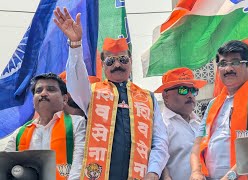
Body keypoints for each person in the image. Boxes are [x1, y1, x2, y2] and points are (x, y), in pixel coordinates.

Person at [54, 7, 169, 180]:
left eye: (122, 59)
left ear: (130, 61)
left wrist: (153, 172)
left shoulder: (147, 98)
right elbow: (76, 81)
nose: (117, 65)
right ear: (103, 64)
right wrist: (75, 45)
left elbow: (159, 140)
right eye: (110, 61)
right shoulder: (92, 93)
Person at [189, 40, 248, 180]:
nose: (228, 69)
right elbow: (198, 143)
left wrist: (229, 177)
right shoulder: (213, 104)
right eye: (223, 64)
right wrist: (196, 172)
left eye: (235, 62)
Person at [4, 73, 86, 180]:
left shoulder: (77, 123)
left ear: (65, 99)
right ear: (33, 100)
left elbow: (80, 164)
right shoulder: (19, 133)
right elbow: (5, 167)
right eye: (38, 91)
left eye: (51, 89)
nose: (43, 94)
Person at [154, 67, 207, 180]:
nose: (190, 95)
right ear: (166, 96)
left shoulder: (200, 124)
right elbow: (155, 157)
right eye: (183, 90)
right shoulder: (161, 125)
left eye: (193, 90)